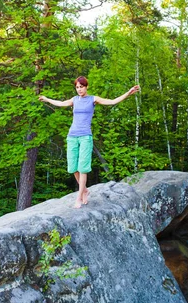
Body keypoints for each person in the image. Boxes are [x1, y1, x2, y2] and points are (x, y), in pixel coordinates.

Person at [39, 76, 140, 208]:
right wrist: (46, 99)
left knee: (83, 168)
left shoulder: (93, 99)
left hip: (85, 137)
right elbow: (61, 103)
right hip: (72, 136)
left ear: (86, 87)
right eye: (77, 87)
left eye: (81, 87)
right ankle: (85, 190)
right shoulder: (74, 100)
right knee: (72, 168)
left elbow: (112, 102)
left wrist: (128, 93)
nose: (79, 89)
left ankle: (79, 197)